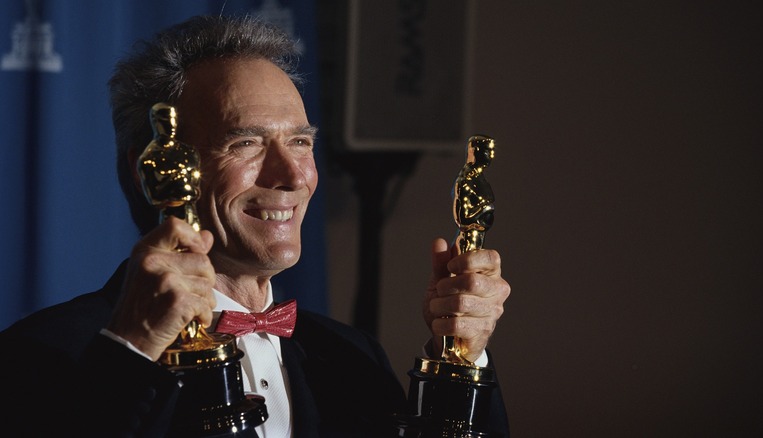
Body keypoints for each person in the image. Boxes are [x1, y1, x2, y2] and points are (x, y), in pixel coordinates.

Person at [0, 14, 511, 438]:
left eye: (302, 142)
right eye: (244, 143)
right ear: (152, 168)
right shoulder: (44, 355)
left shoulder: (352, 358)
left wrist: (464, 353)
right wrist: (134, 349)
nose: (292, 176)